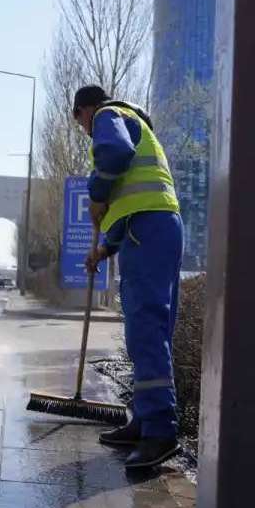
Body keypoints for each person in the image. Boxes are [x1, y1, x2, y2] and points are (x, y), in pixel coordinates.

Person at [73, 84, 185, 469]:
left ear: (84, 111)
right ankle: (145, 419)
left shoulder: (108, 115)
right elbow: (133, 200)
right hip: (157, 227)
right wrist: (104, 248)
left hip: (148, 229)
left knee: (145, 330)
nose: (86, 130)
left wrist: (97, 192)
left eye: (81, 123)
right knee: (154, 329)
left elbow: (114, 153)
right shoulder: (138, 126)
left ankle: (160, 431)